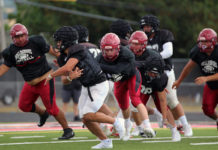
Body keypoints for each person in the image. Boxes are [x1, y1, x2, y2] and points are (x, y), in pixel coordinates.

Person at [45, 26, 125, 149]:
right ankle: (106, 142)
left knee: (88, 114)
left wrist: (51, 75)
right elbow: (66, 80)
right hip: (86, 87)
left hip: (98, 84)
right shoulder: (62, 57)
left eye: (59, 40)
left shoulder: (77, 49)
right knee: (85, 118)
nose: (57, 43)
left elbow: (66, 68)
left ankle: (116, 121)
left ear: (67, 40)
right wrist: (71, 77)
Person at [0, 23, 74, 139]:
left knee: (52, 108)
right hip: (30, 83)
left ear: (26, 35)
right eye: (17, 37)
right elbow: (4, 67)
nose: (20, 39)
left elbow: (54, 52)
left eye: (22, 36)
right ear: (12, 38)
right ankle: (43, 114)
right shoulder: (10, 51)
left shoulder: (36, 41)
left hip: (45, 79)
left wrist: (66, 63)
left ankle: (68, 130)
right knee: (23, 105)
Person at [139, 14, 193, 136]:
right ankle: (144, 127)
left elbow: (169, 52)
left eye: (147, 27)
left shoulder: (163, 35)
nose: (145, 29)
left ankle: (185, 125)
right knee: (145, 101)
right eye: (143, 27)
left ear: (154, 26)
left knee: (172, 101)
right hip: (148, 74)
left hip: (165, 71)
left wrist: (153, 58)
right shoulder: (142, 37)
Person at [97, 33, 156, 141]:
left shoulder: (126, 54)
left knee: (135, 100)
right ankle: (128, 127)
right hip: (119, 81)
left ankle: (147, 126)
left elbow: (116, 70)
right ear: (102, 49)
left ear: (118, 48)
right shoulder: (100, 57)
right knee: (123, 106)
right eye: (107, 50)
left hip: (132, 76)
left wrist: (101, 67)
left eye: (112, 50)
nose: (109, 53)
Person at [129, 31, 181, 141]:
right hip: (141, 80)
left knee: (164, 108)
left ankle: (174, 130)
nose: (134, 46)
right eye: (132, 43)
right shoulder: (129, 53)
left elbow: (162, 100)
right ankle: (140, 127)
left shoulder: (158, 74)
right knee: (135, 105)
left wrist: (164, 118)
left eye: (136, 43)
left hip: (155, 83)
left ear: (143, 44)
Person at [172, 28, 218, 130]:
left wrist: (206, 78)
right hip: (211, 85)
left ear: (213, 41)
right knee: (207, 110)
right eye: (201, 41)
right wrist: (179, 81)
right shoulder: (197, 51)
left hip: (210, 80)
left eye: (206, 41)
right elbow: (188, 68)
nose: (203, 44)